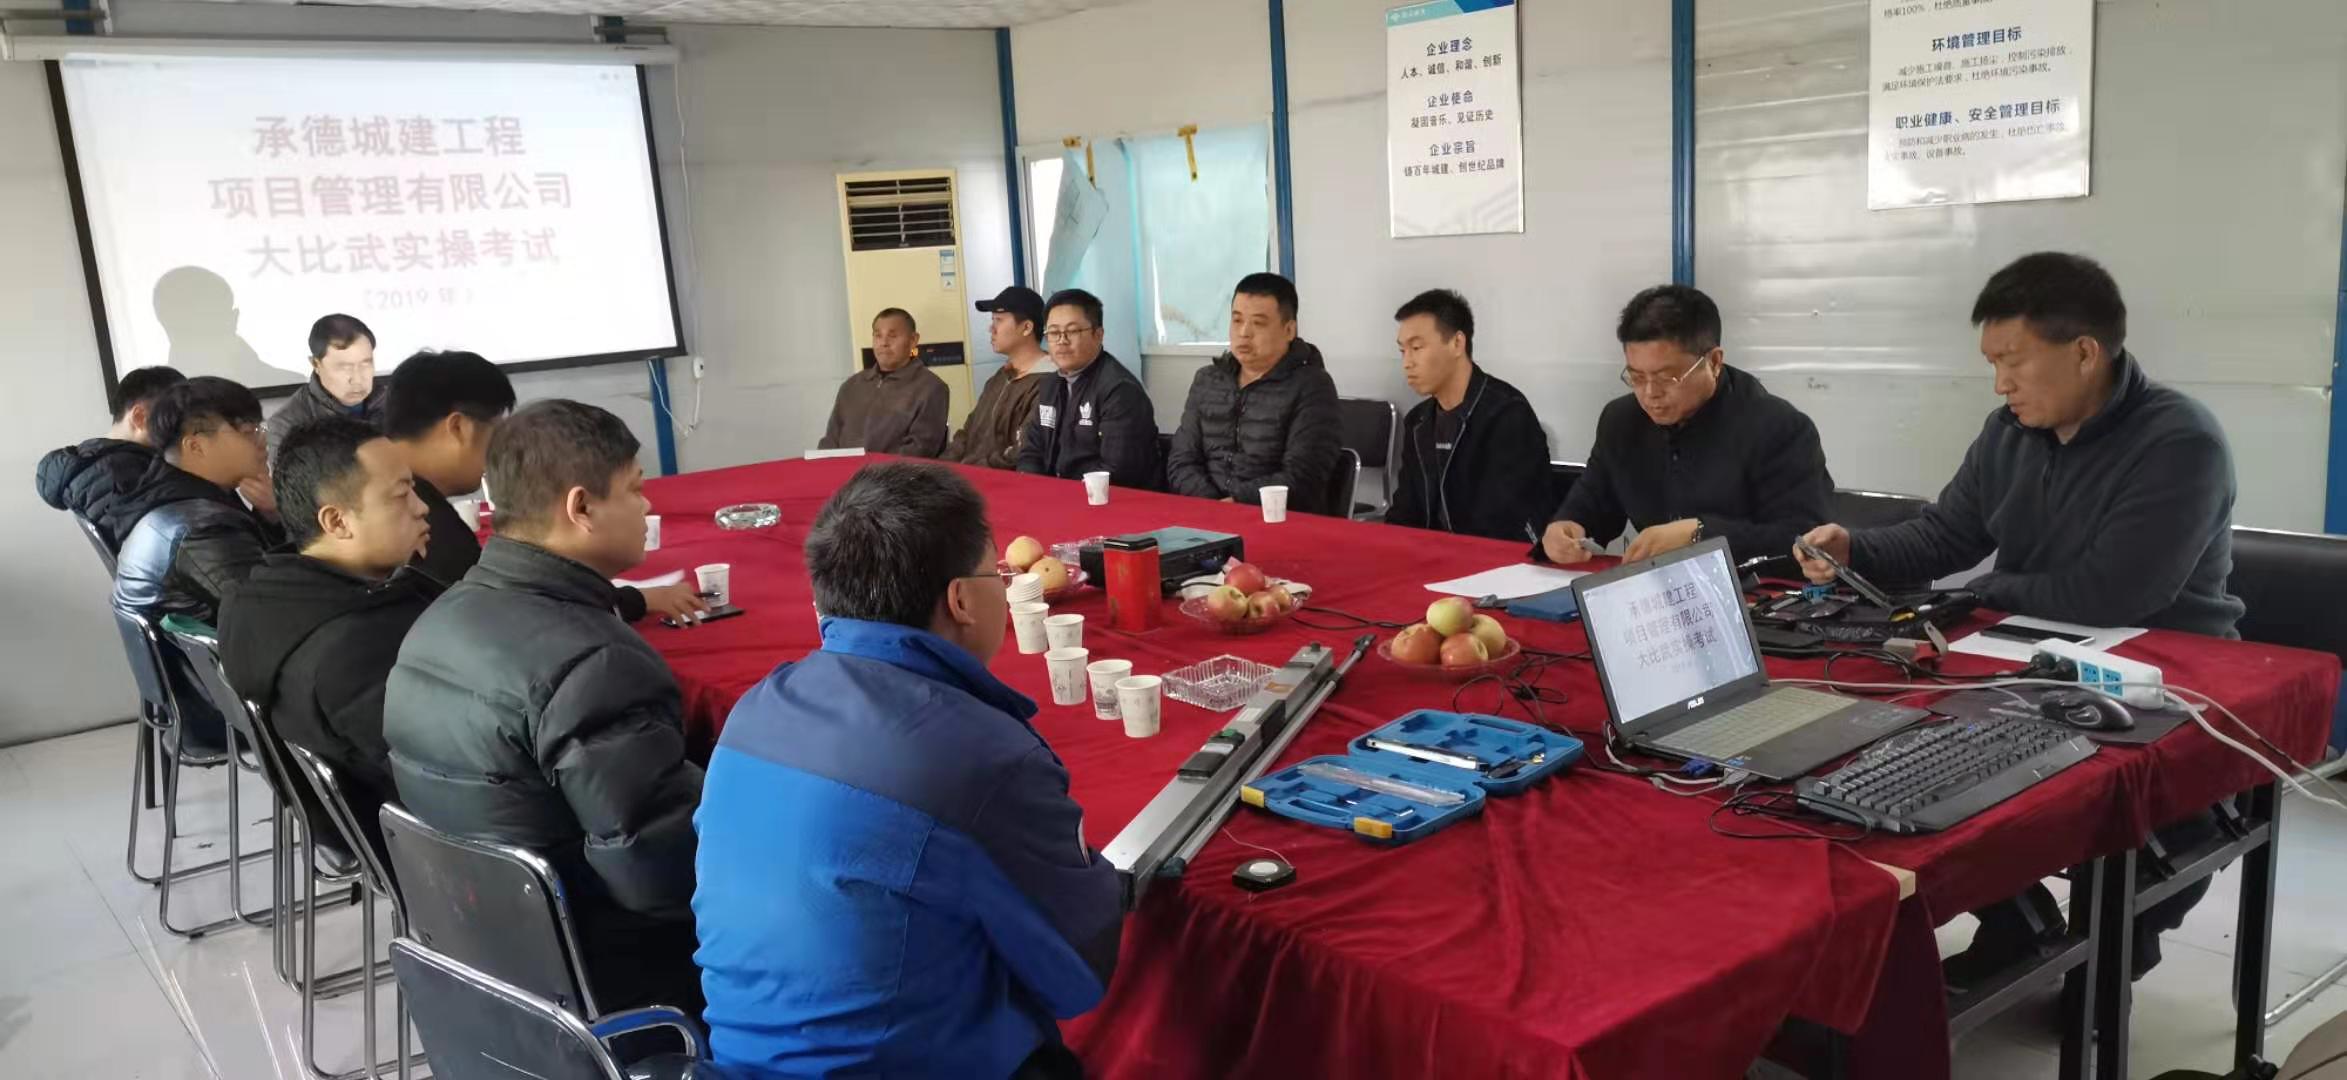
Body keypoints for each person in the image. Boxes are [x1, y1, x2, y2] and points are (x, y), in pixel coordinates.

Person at [1793, 252, 2241, 985]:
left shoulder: (2179, 442)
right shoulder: (2008, 431)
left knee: (2110, 805)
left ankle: (2118, 947)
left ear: (2085, 352)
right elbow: (1946, 534)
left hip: (2166, 671)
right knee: (1899, 751)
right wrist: (1855, 548)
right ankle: (2019, 922)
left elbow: (2119, 592)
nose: (2000, 383)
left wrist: (1981, 592)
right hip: (2031, 651)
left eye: (2013, 361)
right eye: (1991, 364)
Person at [694, 462, 1122, 1078]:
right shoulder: (979, 754)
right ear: (960, 600)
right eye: (997, 575)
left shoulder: (759, 705)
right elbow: (1077, 973)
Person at [385, 399, 706, 1015]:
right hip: (604, 971)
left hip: (487, 950)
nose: (647, 508)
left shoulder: (439, 616)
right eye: (635, 490)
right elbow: (660, 876)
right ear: (581, 508)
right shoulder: (595, 662)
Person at [220, 417, 435, 856]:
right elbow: (444, 778)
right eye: (401, 495)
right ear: (337, 521)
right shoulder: (356, 650)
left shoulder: (266, 600)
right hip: (425, 850)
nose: (421, 508)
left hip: (360, 825)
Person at [384, 350, 705, 623]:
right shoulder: (424, 527)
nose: (499, 452)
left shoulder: (395, 500)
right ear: (459, 427)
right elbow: (512, 616)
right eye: (496, 432)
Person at [1543, 285, 1832, 566]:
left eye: (1667, 377)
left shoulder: (1778, 428)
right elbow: (1594, 501)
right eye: (1637, 377)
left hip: (1752, 590)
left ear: (1714, 362)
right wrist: (1567, 527)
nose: (1650, 393)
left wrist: (1700, 534)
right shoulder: (1621, 420)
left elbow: (1805, 542)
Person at [111, 377, 282, 752]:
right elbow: (270, 615)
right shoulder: (201, 527)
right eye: (247, 431)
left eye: (260, 427)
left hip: (191, 698)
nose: (262, 441)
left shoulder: (166, 500)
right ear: (196, 445)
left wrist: (270, 515)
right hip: (220, 710)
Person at [1382, 289, 1553, 541]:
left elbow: (1503, 522)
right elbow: (1405, 512)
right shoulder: (1418, 421)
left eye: (1416, 347)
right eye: (1402, 351)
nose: (1407, 362)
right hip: (1433, 555)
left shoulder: (1506, 414)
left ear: (1457, 343)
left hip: (1494, 557)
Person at [1164, 272, 1344, 512]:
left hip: (1275, 518)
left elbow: (1302, 477)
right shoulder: (1208, 380)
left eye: (1258, 323)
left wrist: (1236, 504)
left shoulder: (1312, 386)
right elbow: (1181, 461)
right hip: (1206, 513)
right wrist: (1213, 506)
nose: (1244, 332)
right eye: (1237, 320)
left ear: (1289, 330)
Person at [1017, 289, 1159, 489]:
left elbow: (1118, 471)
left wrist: (1060, 494)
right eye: (1054, 333)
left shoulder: (1119, 391)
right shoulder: (1050, 385)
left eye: (1073, 331)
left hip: (1103, 499)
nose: (1062, 340)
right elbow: (1031, 451)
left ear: (1098, 335)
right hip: (1052, 495)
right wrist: (1035, 488)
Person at [35, 365, 186, 551]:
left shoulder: (92, 461)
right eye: (177, 419)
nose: (184, 431)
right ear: (140, 417)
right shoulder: (124, 474)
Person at [818, 308, 951, 457]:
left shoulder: (931, 388)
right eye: (878, 336)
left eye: (892, 336)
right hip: (843, 469)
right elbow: (830, 441)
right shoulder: (851, 386)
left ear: (913, 340)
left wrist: (871, 468)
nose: (884, 343)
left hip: (893, 472)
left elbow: (920, 450)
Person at [945, 286, 1053, 469]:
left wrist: (971, 470)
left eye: (999, 320)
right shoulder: (999, 378)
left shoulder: (1047, 383)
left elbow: (1020, 452)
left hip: (1001, 481)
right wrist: (943, 467)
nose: (991, 329)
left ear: (1027, 327)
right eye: (992, 320)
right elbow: (967, 433)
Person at [265, 314, 387, 467]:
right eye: (344, 367)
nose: (357, 379)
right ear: (316, 364)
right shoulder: (287, 424)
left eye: (366, 364)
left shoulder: (396, 404)